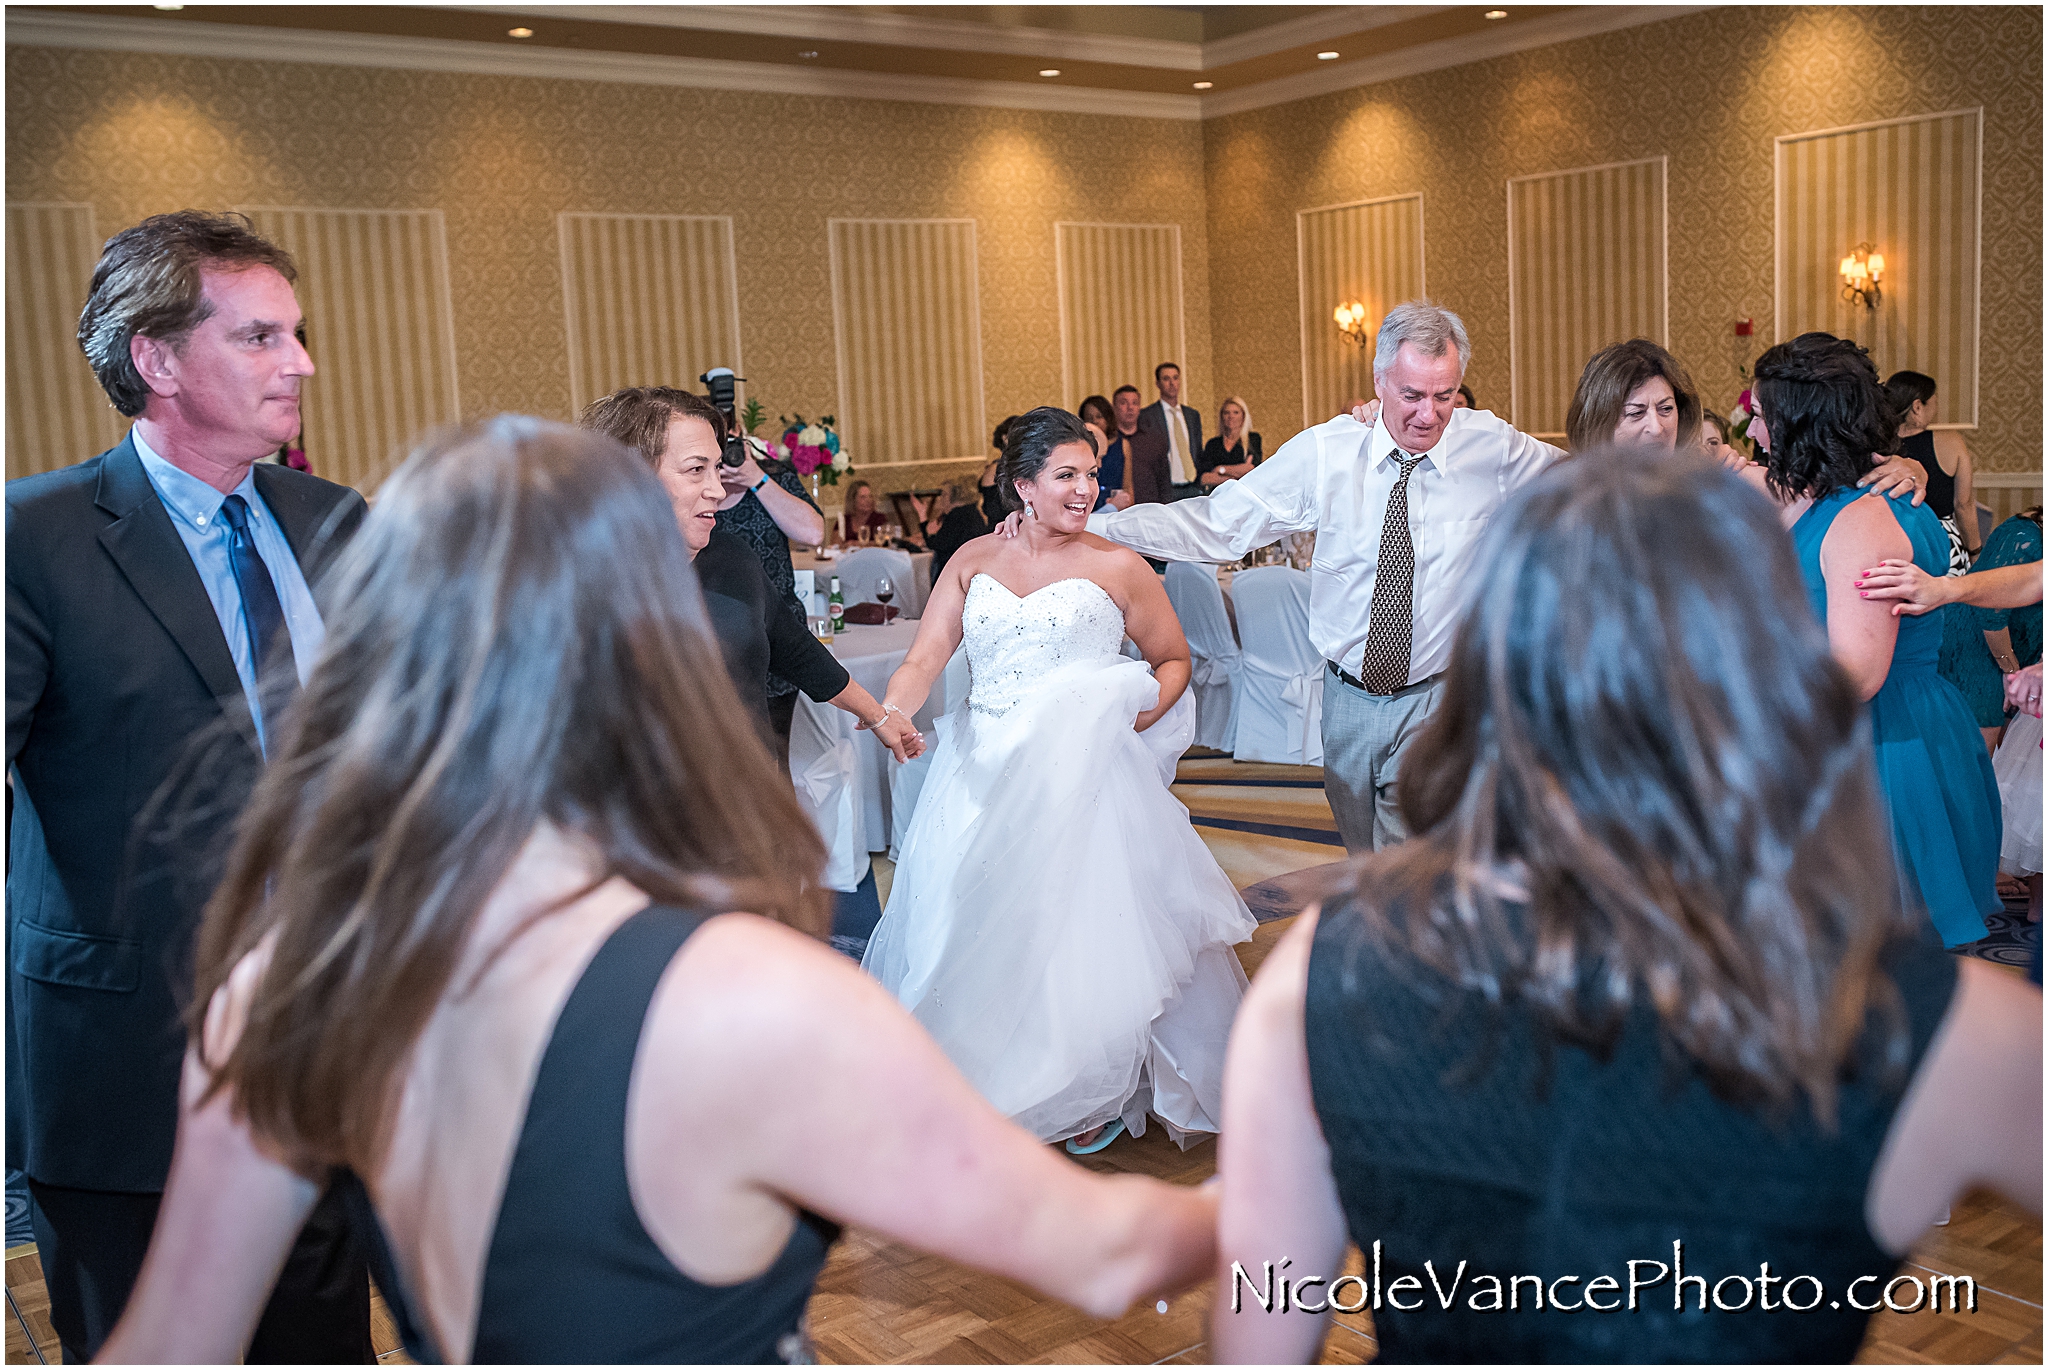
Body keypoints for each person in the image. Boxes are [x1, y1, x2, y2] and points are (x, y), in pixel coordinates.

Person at [97, 417, 1219, 1365]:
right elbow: (1106, 1248)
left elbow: (164, 1345)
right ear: (644, 646)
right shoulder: (745, 990)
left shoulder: (289, 984)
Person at [1213, 453, 2042, 1364]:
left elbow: (1263, 1339)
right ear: (1777, 667)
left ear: (1496, 666)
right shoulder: (1940, 1023)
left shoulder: (1315, 976)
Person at [6, 210, 371, 1363]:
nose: (301, 362)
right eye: (261, 337)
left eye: (296, 334)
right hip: (132, 1073)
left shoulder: (334, 522)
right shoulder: (37, 538)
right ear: (157, 361)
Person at [863, 407, 1256, 1155]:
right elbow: (925, 657)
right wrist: (894, 712)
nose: (1085, 490)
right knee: (969, 923)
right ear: (1023, 487)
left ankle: (1082, 1082)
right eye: (1066, 476)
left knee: (1080, 934)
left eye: (1091, 474)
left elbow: (1173, 660)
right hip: (979, 773)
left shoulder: (1119, 566)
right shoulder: (974, 560)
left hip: (1085, 781)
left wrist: (1138, 716)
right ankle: (982, 1070)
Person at [1751, 332, 2000, 948]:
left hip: (1881, 745)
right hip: (1870, 726)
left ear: (1797, 423)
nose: (1751, 434)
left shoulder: (1864, 517)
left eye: (1759, 418)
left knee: (1882, 975)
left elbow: (1858, 673)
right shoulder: (1840, 492)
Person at [579, 386, 918, 760]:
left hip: (750, 790)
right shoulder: (581, 587)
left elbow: (798, 651)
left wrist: (877, 715)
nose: (717, 490)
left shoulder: (732, 558)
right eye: (696, 470)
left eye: (717, 469)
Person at [714, 414, 826, 758]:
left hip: (774, 634)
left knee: (773, 758)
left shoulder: (774, 477)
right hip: (713, 640)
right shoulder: (692, 486)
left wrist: (756, 479)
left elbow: (813, 534)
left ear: (741, 437)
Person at [1937, 508, 2043, 753]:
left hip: (2021, 653)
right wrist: (2012, 671)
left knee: (2009, 750)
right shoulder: (2024, 537)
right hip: (1977, 646)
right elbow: (1991, 614)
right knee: (1978, 751)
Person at [1886, 370, 1980, 568]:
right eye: (1934, 402)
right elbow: (1963, 505)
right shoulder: (1951, 442)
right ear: (1917, 407)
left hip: (1893, 545)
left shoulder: (1877, 448)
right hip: (1944, 545)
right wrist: (1975, 552)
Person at [1563, 337, 1703, 452]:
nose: (1656, 429)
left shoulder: (1704, 482)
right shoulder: (1569, 484)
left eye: (1666, 409)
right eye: (1636, 413)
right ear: (1599, 426)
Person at [1138, 362, 1204, 501]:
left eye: (1175, 378)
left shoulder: (1192, 415)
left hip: (1193, 487)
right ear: (1158, 383)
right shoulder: (1147, 416)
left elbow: (1197, 450)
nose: (1172, 383)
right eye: (1166, 379)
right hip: (1167, 489)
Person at [1106, 384, 1172, 508]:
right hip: (1118, 510)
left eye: (1135, 403)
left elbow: (1164, 482)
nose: (1130, 408)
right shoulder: (1108, 443)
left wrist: (1166, 508)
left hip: (1150, 509)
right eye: (1123, 403)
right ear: (1114, 408)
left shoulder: (1154, 441)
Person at [922, 475, 989, 578]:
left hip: (955, 572)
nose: (941, 499)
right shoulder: (972, 512)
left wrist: (923, 519)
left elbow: (938, 544)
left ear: (955, 496)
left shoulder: (958, 515)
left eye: (944, 494)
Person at [1197, 396, 1262, 490]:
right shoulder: (1213, 444)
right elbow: (1204, 478)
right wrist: (1236, 475)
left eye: (1236, 412)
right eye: (1226, 413)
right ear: (1221, 416)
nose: (1231, 416)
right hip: (1218, 496)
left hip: (1244, 494)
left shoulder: (1253, 439)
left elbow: (1251, 469)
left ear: (1243, 416)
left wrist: (1221, 469)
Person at [979, 414, 1018, 525]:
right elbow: (991, 508)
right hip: (1000, 527)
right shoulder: (995, 469)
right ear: (1005, 438)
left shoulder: (1024, 465)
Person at [838, 477, 891, 544]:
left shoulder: (879, 519)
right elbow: (835, 545)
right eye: (863, 497)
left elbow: (884, 542)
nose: (868, 500)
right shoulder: (844, 521)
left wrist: (857, 544)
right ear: (853, 500)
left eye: (870, 496)